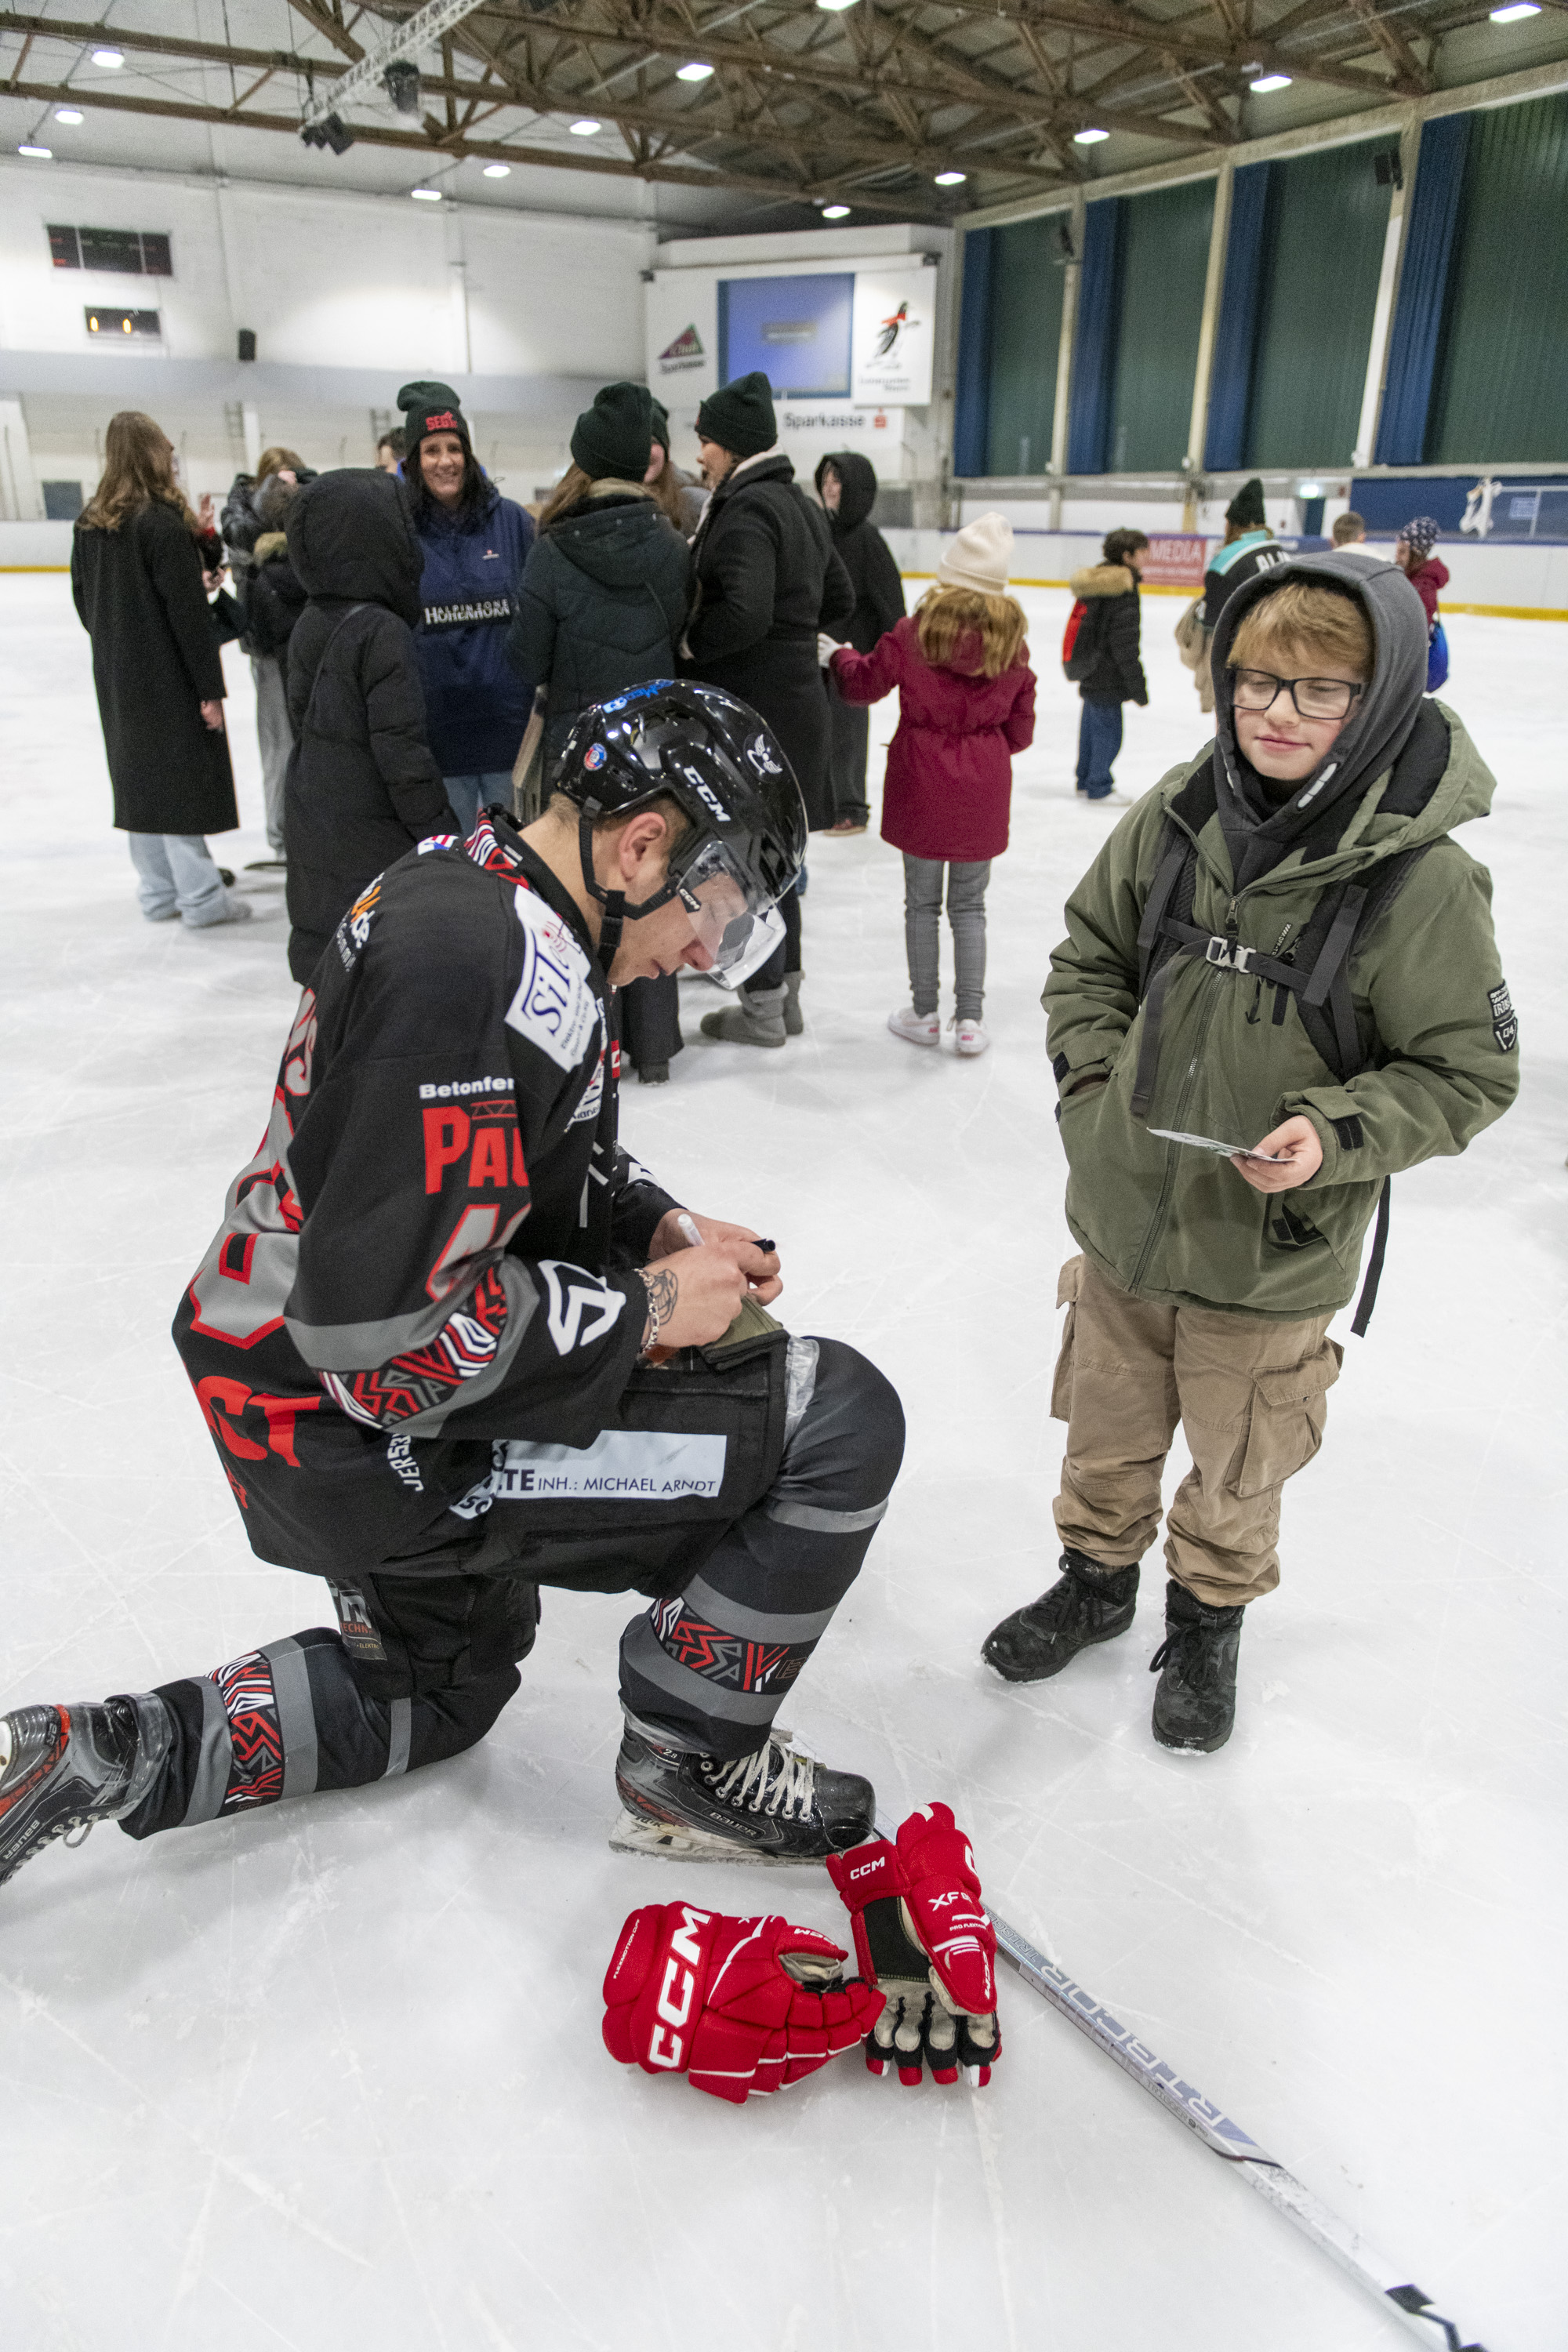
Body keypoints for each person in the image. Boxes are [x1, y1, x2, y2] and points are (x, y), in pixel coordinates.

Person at [0, 684, 906, 1896]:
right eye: (713, 906)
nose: (704, 950)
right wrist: (644, 1309)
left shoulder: (483, 890)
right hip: (359, 1420)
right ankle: (690, 1764)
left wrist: (659, 1223)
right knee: (837, 1417)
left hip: (282, 1395)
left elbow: (519, 1154)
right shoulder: (473, 960)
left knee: (438, 1692)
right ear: (641, 844)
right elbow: (387, 1344)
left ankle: (107, 1753)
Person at [982, 556, 1519, 1753]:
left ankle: (1209, 1619)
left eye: (1319, 690)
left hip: (1272, 1253)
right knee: (1107, 1430)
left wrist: (1333, 1136)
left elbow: (1467, 1073)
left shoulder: (1423, 883)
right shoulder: (1178, 809)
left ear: (1377, 699)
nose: (1277, 711)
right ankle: (1094, 1580)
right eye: (1255, 682)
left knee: (1238, 1462)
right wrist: (1092, 1096)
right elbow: (1088, 963)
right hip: (1124, 1224)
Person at [509, 382, 691, 1084]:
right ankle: (653, 1047)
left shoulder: (552, 552)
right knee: (652, 880)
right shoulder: (672, 547)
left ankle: (591, 1050)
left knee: (580, 893)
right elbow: (677, 638)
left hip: (576, 748)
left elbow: (525, 660)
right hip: (652, 744)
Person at [682, 370, 855, 1051]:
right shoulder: (803, 505)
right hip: (801, 708)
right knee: (778, 864)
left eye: (706, 442)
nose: (701, 456)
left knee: (747, 865)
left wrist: (694, 644)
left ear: (731, 445)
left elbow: (745, 612)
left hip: (756, 714)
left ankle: (759, 1008)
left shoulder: (749, 509)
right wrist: (798, 630)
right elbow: (837, 600)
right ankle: (785, 1003)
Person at [825, 514, 1034, 1058]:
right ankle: (970, 1020)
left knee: (921, 904)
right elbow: (1022, 731)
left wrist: (837, 655)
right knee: (970, 907)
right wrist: (980, 751)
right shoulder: (1012, 647)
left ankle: (924, 1013)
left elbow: (862, 684)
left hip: (921, 780)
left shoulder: (913, 634)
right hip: (982, 788)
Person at [71, 410, 251, 930]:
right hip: (169, 675)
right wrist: (209, 690)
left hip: (118, 675)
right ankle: (202, 899)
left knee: (139, 784)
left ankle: (157, 892)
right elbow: (187, 618)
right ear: (153, 455)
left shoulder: (91, 522)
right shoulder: (161, 524)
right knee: (180, 783)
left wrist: (118, 641)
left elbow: (85, 601)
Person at [281, 467, 457, 983]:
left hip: (316, 819)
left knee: (338, 973)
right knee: (386, 972)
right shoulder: (382, 631)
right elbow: (402, 755)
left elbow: (304, 720)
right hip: (375, 837)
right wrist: (442, 834)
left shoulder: (310, 619)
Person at [397, 379, 536, 837]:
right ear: (414, 461)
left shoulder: (511, 521)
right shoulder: (400, 531)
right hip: (440, 730)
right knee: (456, 859)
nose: (445, 461)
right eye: (431, 450)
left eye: (454, 447)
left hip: (506, 725)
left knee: (517, 853)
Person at [222, 448, 313, 869]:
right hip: (268, 645)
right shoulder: (243, 505)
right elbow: (237, 532)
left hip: (309, 639)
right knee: (279, 741)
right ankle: (281, 834)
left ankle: (310, 829)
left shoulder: (312, 496)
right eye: (274, 479)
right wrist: (274, 499)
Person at [814, 452, 906, 836]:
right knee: (819, 730)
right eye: (826, 480)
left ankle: (851, 807)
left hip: (851, 654)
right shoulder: (817, 529)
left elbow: (890, 604)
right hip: (814, 649)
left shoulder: (867, 540)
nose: (830, 488)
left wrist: (895, 655)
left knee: (847, 732)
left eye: (838, 481)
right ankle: (822, 802)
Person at [1066, 527, 1149, 805]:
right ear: (1127, 556)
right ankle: (1099, 785)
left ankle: (1085, 779)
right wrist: (1138, 685)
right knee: (1109, 733)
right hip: (1109, 674)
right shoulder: (1122, 589)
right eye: (1141, 553)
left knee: (1091, 726)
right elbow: (1124, 644)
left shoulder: (1097, 582)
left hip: (1090, 669)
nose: (1145, 558)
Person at [1192, 478, 1284, 713]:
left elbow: (1211, 618)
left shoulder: (1227, 559)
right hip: (1282, 652)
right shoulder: (1279, 551)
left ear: (1234, 524)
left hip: (1242, 657)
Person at [645, 400, 707, 535]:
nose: (644, 451)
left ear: (666, 449)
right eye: (634, 443)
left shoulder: (693, 503)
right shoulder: (606, 499)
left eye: (652, 442)